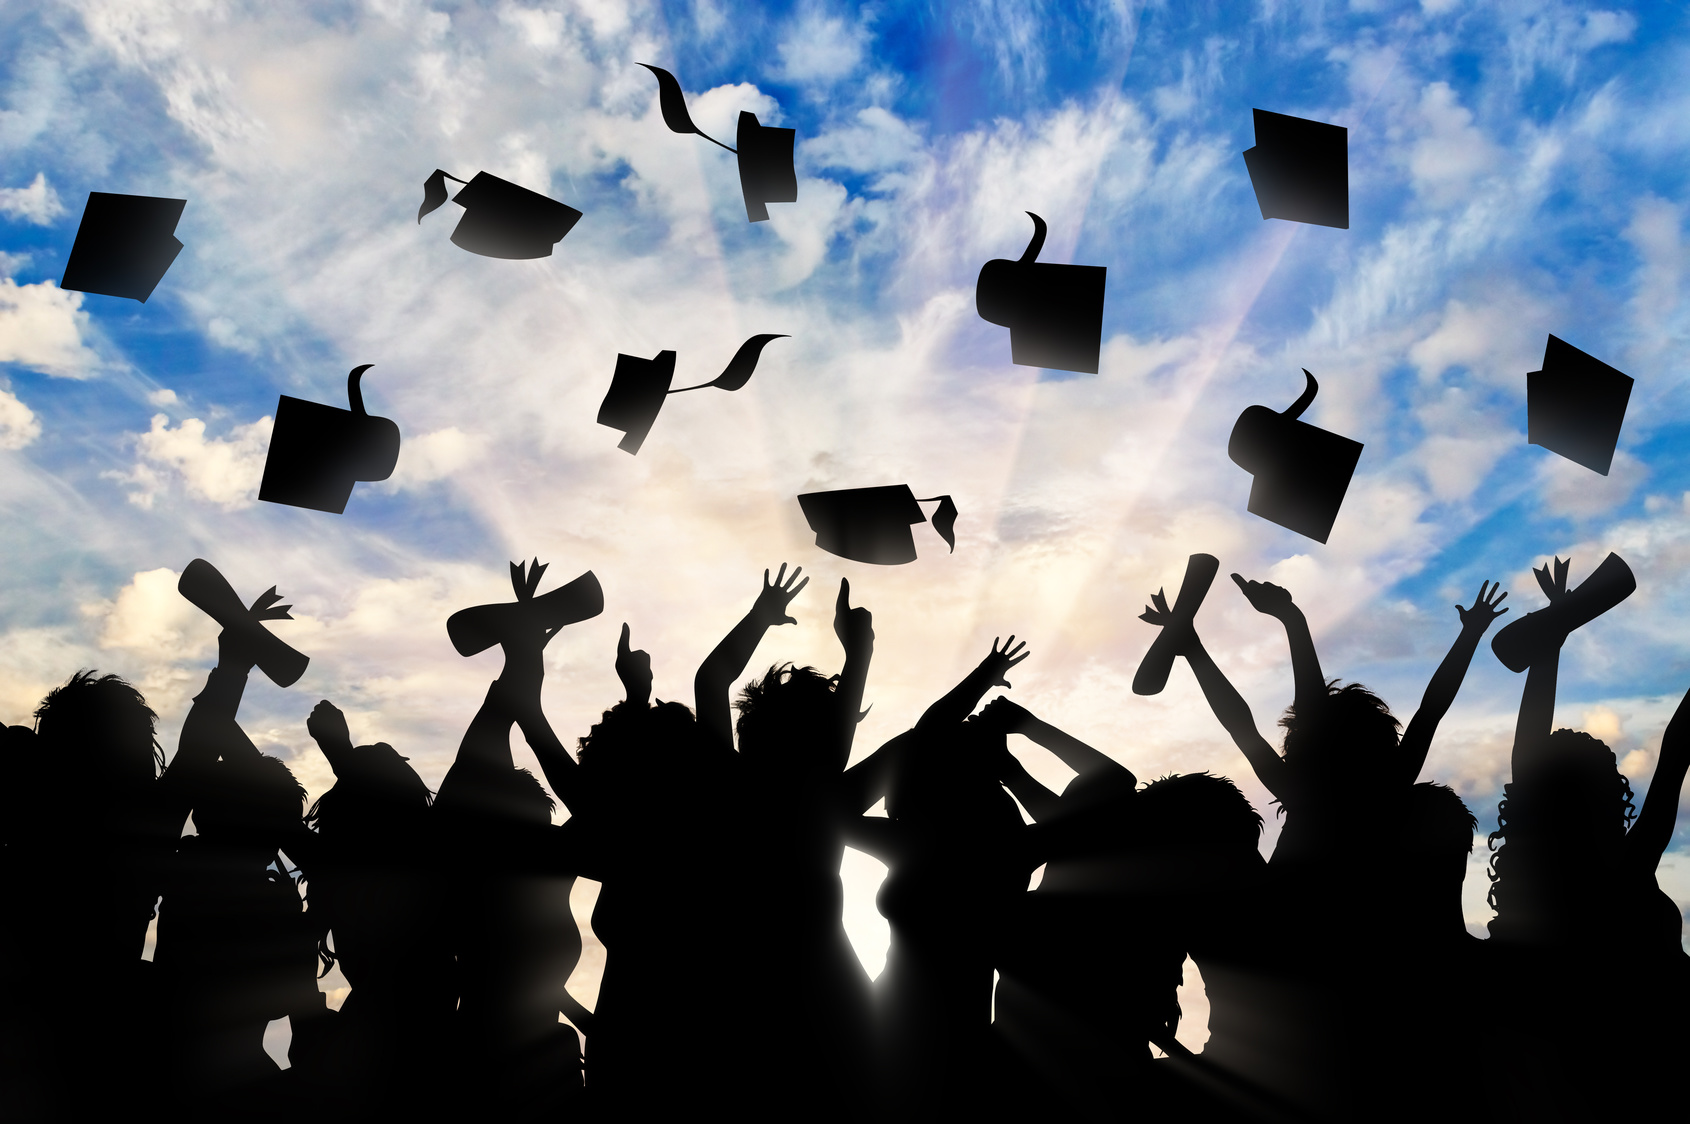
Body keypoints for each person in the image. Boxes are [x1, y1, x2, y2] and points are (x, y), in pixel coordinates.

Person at [1140, 573, 1507, 1120]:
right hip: (1334, 1008)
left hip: (1307, 999)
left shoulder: (1310, 795)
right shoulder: (1378, 791)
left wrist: (1205, 645)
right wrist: (1469, 635)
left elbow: (1245, 721)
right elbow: (1430, 708)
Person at [982, 697, 1265, 1122]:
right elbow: (1086, 810)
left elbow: (1084, 811)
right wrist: (1016, 748)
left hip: (1060, 1064)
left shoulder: (1136, 889)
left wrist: (1013, 755)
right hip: (1060, 1064)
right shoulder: (1131, 889)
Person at [1484, 556, 1690, 1120]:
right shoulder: (1627, 873)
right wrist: (1557, 622)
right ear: (1606, 798)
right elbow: (1677, 745)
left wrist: (1557, 625)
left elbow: (1530, 755)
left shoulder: (1549, 896)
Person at [151, 589, 332, 1115]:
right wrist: (238, 657)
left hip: (166, 1077)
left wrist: (235, 660)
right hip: (242, 1091)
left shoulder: (177, 868)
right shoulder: (278, 905)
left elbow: (202, 743)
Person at [841, 639, 1031, 1120]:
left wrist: (976, 687)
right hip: (951, 1036)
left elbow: (836, 801)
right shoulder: (1002, 841)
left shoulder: (921, 842)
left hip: (905, 1039)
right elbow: (924, 737)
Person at [432, 559, 589, 1121]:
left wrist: (525, 641)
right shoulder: (494, 864)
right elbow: (503, 720)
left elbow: (503, 718)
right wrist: (525, 638)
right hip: (490, 1065)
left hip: (544, 1061)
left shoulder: (546, 867)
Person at [1, 672, 174, 1119]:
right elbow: (199, 742)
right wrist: (232, 664)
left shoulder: (27, 821)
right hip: (113, 1041)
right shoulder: (149, 825)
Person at [297, 701, 455, 1117]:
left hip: (405, 1032)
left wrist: (339, 753)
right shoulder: (361, 866)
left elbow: (379, 831)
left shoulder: (414, 867)